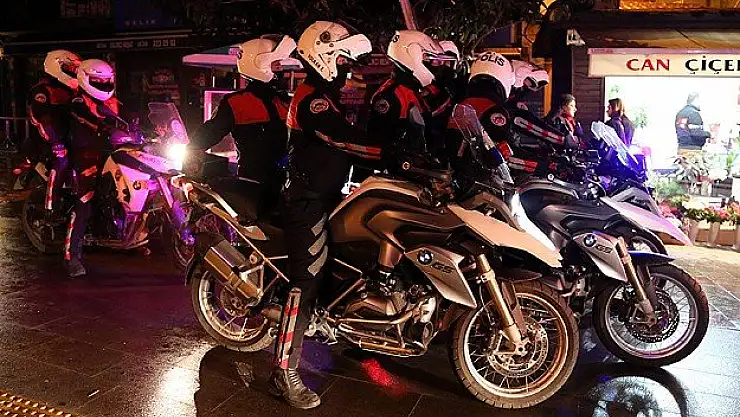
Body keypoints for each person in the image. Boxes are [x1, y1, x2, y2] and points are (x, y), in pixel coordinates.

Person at [272, 21, 377, 409]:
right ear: (324, 56)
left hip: (328, 195)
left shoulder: (325, 97)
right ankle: (284, 371)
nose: (348, 70)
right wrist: (394, 154)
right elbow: (341, 138)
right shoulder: (312, 100)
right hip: (306, 202)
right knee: (306, 279)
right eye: (344, 62)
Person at [188, 35, 299, 218]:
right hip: (254, 187)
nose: (280, 68)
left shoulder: (285, 100)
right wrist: (191, 156)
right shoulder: (236, 102)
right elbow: (209, 132)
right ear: (259, 64)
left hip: (289, 184)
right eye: (275, 63)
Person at [368, 30, 456, 170]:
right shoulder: (391, 96)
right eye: (429, 58)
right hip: (399, 174)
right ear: (412, 56)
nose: (437, 66)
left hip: (419, 171)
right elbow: (383, 144)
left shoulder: (413, 91)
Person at [65, 59, 118, 277]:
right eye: (98, 81)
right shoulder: (78, 103)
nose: (103, 85)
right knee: (84, 203)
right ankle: (72, 256)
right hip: (83, 158)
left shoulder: (111, 102)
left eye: (107, 82)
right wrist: (106, 128)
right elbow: (92, 122)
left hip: (106, 155)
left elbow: (127, 117)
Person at [27, 50, 82, 216]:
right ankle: (51, 207)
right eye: (70, 68)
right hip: (46, 141)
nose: (73, 72)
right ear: (55, 67)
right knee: (62, 161)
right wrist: (55, 142)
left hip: (69, 138)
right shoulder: (41, 91)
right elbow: (42, 119)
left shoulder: (71, 90)